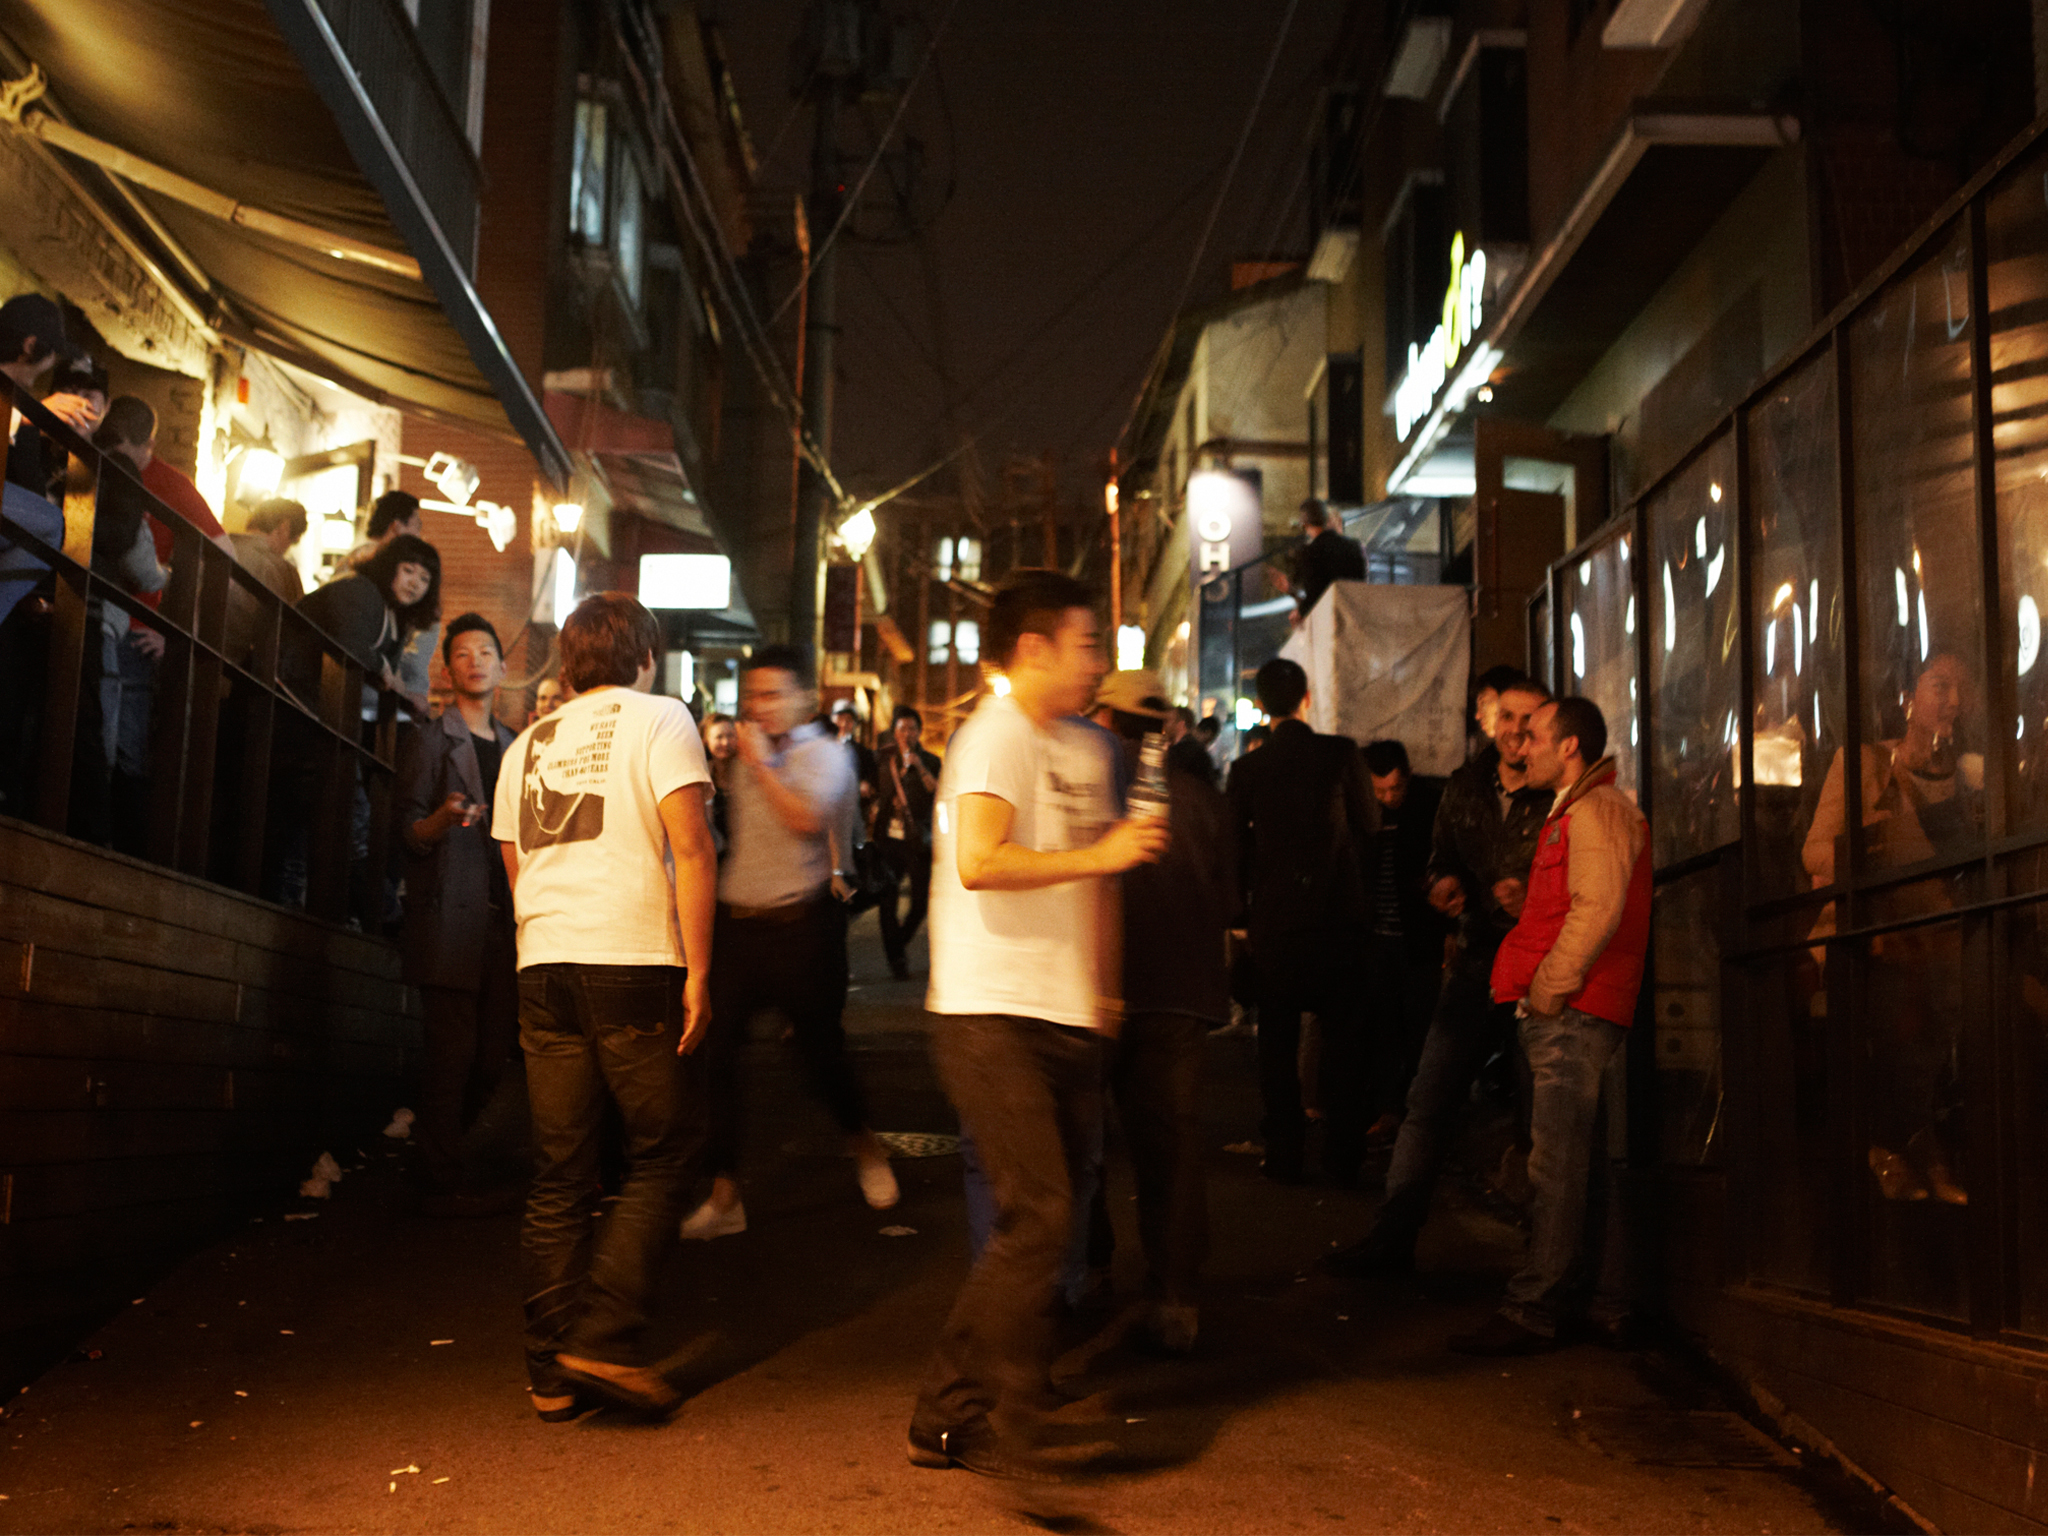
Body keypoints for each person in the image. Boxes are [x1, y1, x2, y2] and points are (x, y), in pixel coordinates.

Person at [908, 569, 1167, 1483]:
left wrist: (1105, 994)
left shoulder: (1086, 750)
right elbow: (978, 860)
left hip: (1063, 1013)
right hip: (988, 1010)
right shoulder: (993, 738)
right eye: (1087, 643)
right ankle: (990, 1421)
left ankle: (961, 1404)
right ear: (1034, 651)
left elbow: (1096, 881)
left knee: (1054, 1217)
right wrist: (1104, 851)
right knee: (1040, 1212)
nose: (1099, 660)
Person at [492, 591, 717, 1419]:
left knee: (561, 1171)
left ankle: (549, 1375)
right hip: (630, 955)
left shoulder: (525, 744)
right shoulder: (661, 719)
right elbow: (691, 847)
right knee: (666, 1149)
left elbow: (516, 864)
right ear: (643, 656)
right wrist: (697, 969)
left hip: (542, 958)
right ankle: (605, 1333)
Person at [1326, 675, 1552, 1278]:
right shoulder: (1465, 786)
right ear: (1491, 721)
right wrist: (1442, 886)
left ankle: (1546, 1263)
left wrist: (1531, 894)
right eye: (1507, 716)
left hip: (1541, 973)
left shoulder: (1560, 793)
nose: (1516, 730)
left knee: (1542, 1121)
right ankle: (1391, 1239)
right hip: (1477, 962)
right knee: (1427, 1102)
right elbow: (1438, 861)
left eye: (1530, 720)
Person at [1451, 696, 1649, 1355]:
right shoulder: (1586, 810)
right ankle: (1602, 1300)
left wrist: (1546, 991)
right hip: (1575, 1008)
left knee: (1558, 1165)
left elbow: (1597, 911)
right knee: (1581, 1164)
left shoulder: (1595, 811)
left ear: (1570, 747)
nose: (1520, 744)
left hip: (1572, 1011)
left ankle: (1534, 1305)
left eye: (1533, 734)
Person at [680, 644, 898, 1240]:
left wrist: (762, 766)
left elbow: (806, 819)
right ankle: (726, 1196)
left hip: (800, 926)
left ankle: (864, 1144)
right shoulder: (740, 756)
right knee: (715, 1057)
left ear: (805, 698)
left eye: (774, 694)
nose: (761, 707)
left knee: (819, 1055)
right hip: (738, 925)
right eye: (753, 696)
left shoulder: (826, 755)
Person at [1091, 670, 1234, 1355]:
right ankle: (1175, 1295)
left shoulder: (1088, 792)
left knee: (1078, 1141)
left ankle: (1084, 1276)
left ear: (1106, 720)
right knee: (1172, 1151)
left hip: (1097, 992)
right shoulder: (1203, 800)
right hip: (1182, 997)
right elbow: (1232, 898)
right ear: (1166, 725)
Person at [1802, 651, 1978, 1203]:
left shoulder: (1968, 777)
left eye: (1961, 689)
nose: (1952, 700)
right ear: (1908, 696)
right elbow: (1815, 852)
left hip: (1942, 936)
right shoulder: (1865, 764)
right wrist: (1881, 851)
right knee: (1904, 1022)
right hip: (1878, 937)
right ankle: (1895, 1144)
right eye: (1940, 685)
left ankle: (1913, 1142)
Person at [1226, 656, 1378, 1185]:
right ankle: (1343, 1155)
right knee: (1345, 1043)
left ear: (1263, 707)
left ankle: (1285, 1152)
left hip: (1277, 923)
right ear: (1306, 698)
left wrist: (1241, 917)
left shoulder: (1248, 769)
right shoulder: (1340, 754)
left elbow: (1234, 848)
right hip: (1339, 918)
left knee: (1277, 1045)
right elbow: (1370, 822)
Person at [395, 613, 521, 1213]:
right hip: (449, 917)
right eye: (463, 653)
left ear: (504, 666)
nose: (475, 660)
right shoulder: (429, 737)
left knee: (493, 1055)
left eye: (486, 651)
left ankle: (434, 1146)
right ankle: (438, 1174)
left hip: (505, 919)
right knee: (451, 1054)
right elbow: (409, 834)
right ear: (448, 669)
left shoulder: (518, 745)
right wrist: (444, 819)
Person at [1360, 738, 1448, 1139]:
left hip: (1420, 939)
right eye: (1380, 791)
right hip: (1377, 941)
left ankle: (1418, 1113)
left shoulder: (1431, 808)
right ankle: (1388, 1109)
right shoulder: (1360, 811)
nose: (1389, 797)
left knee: (1419, 1030)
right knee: (1381, 1029)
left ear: (1409, 777)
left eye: (1396, 788)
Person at [295, 533, 439, 706]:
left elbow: (387, 676)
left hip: (313, 698)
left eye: (424, 579)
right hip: (287, 686)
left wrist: (402, 689)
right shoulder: (359, 589)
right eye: (408, 570)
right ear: (389, 566)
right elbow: (349, 643)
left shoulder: (395, 615)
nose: (414, 583)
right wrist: (382, 666)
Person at [347, 490, 438, 702]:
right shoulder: (366, 572)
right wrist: (389, 671)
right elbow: (351, 636)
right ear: (397, 527)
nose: (415, 582)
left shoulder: (389, 596)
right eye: (417, 527)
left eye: (424, 578)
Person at [875, 704, 941, 980]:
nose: (907, 733)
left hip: (917, 841)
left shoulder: (932, 761)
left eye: (912, 728)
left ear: (919, 732)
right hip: (888, 841)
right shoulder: (883, 760)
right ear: (895, 732)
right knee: (887, 901)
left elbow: (939, 791)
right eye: (902, 728)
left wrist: (920, 767)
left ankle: (897, 943)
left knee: (920, 904)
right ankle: (897, 959)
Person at [1291, 498, 1365, 618]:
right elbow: (1361, 584)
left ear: (1304, 524)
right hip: (1354, 617)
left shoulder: (1309, 552)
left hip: (1327, 620)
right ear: (1326, 520)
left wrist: (1300, 611)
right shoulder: (1354, 546)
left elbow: (1314, 596)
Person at [232, 498, 308, 604]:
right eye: (292, 541)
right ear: (284, 528)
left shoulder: (220, 545)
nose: (286, 551)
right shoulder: (282, 571)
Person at [701, 710, 737, 852]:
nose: (725, 742)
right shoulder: (703, 775)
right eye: (719, 737)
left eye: (730, 736)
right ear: (706, 740)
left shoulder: (747, 774)